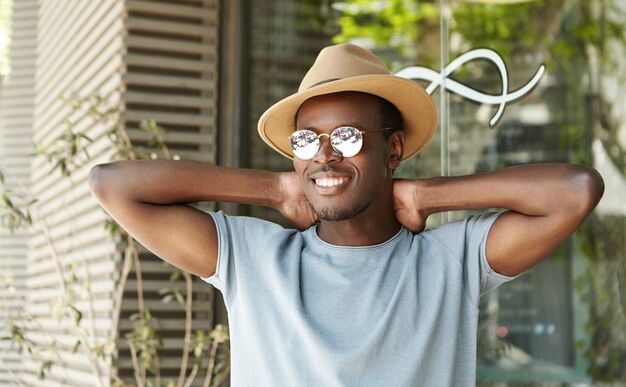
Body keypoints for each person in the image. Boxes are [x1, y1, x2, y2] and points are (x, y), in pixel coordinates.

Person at [89, 43, 604, 387]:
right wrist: (272, 189)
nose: (325, 155)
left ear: (393, 148)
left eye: (349, 136)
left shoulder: (453, 260)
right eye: (306, 140)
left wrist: (428, 195)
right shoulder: (254, 258)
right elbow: (113, 185)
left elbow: (575, 191)